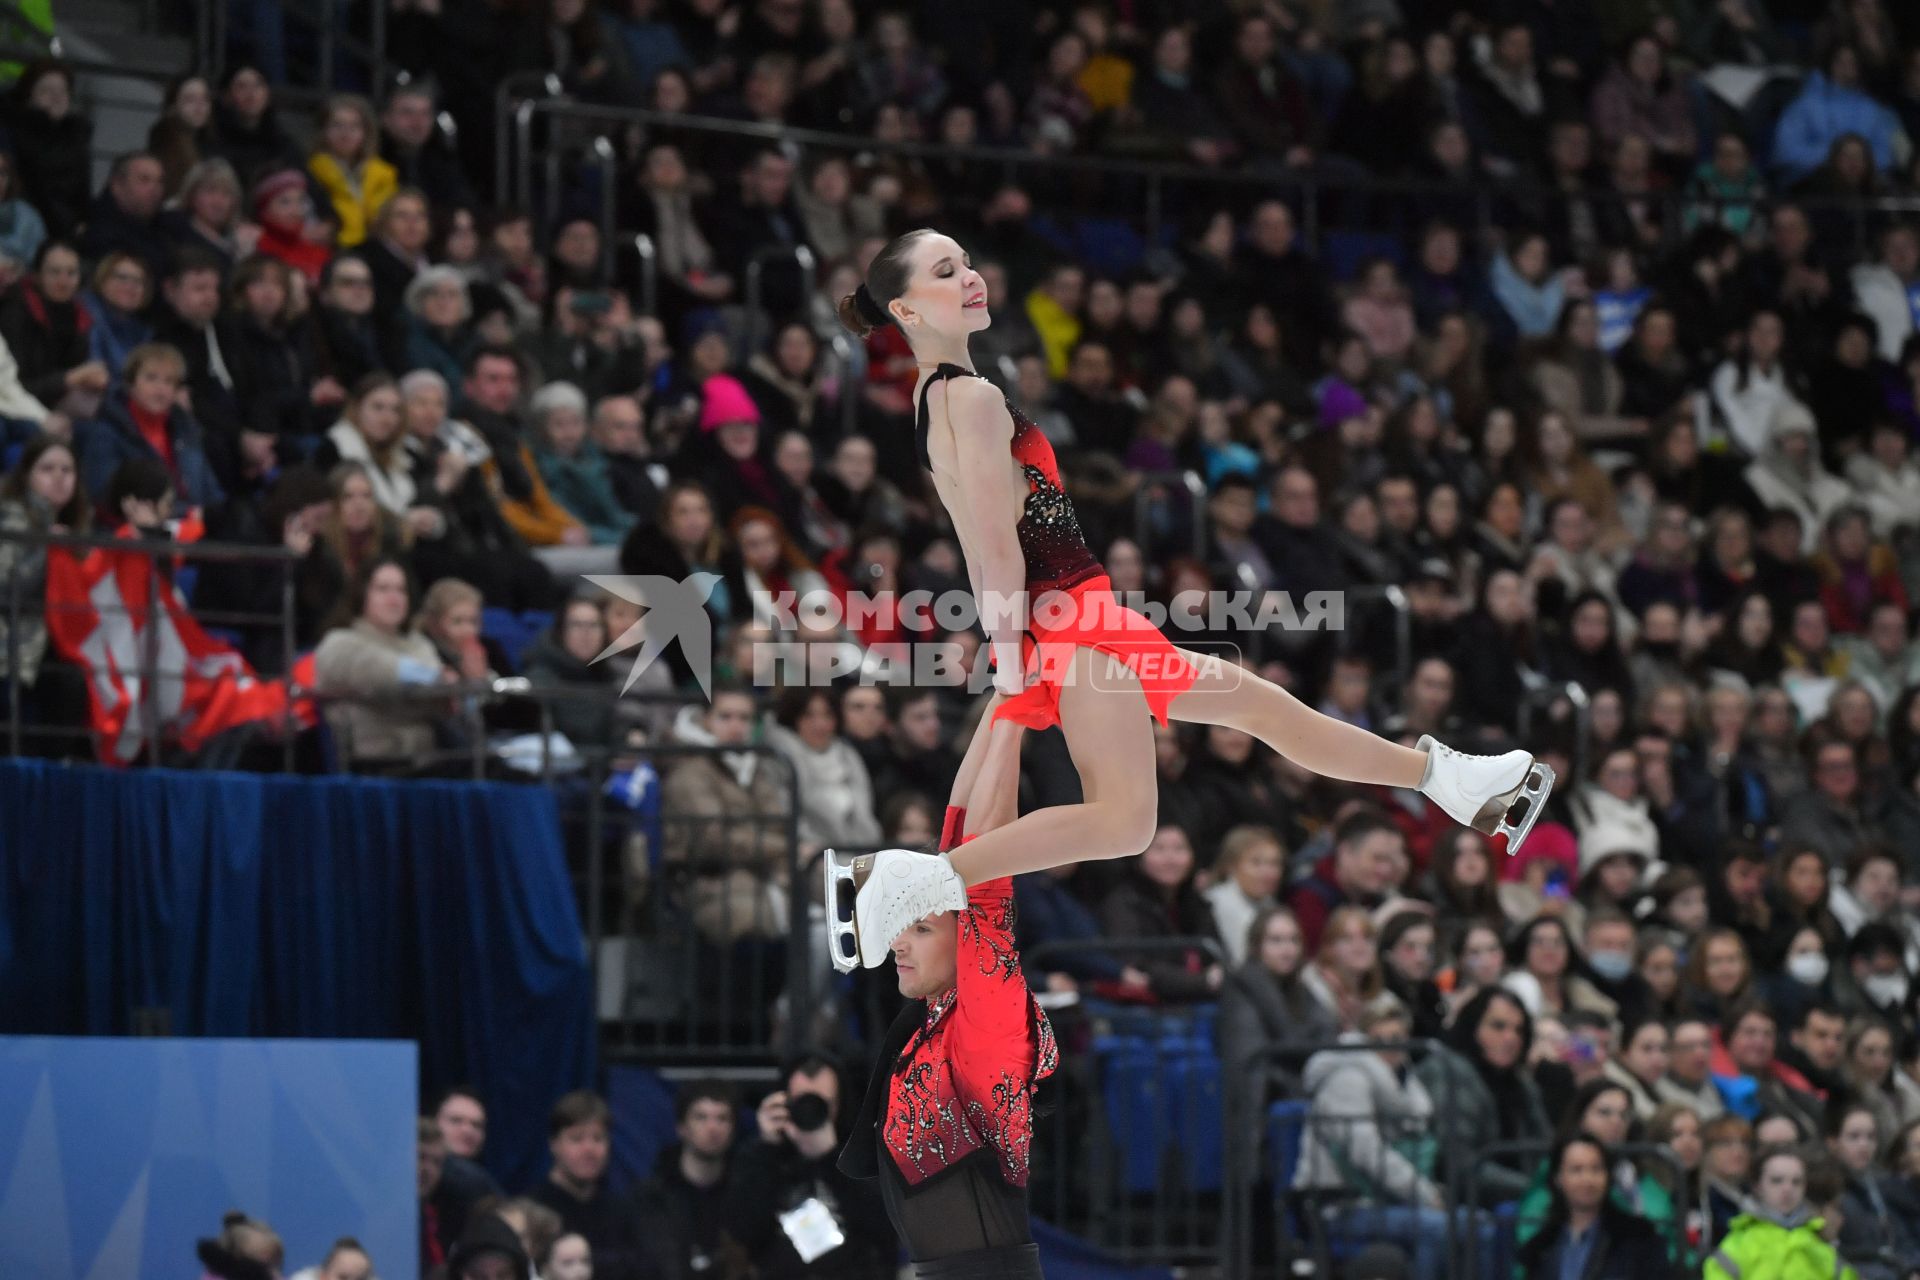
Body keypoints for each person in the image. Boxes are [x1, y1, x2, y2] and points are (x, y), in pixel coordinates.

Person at [826, 229, 1555, 960]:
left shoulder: (937, 398)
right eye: (946, 272)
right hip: (1075, 625)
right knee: (1125, 820)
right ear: (907, 311)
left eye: (969, 262)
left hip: (1079, 618)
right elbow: (989, 545)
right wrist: (1015, 657)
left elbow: (987, 543)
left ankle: (1450, 780)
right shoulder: (972, 399)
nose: (971, 276)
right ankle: (905, 882)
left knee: (1261, 710)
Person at [732, 1050, 893, 1278]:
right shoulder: (759, 1156)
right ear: (783, 1100)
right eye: (802, 1101)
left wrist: (830, 1157)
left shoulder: (865, 1155)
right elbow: (743, 1231)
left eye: (823, 1103)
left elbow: (885, 1228)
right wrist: (767, 1148)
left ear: (840, 1105)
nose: (811, 1110)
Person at [311, 558, 460, 769]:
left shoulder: (418, 643)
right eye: (383, 589)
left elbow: (444, 701)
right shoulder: (339, 642)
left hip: (427, 758)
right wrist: (432, 685)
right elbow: (379, 675)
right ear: (362, 593)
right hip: (372, 762)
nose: (394, 598)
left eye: (401, 590)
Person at [1513, 1134, 1669, 1280]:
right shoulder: (1540, 1248)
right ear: (1558, 1178)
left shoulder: (1639, 1237)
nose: (1587, 1179)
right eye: (1577, 1170)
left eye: (1596, 1169)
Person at [526, 1090, 645, 1280]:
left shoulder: (622, 1210)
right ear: (554, 1145)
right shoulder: (532, 1211)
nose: (589, 1150)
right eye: (577, 1138)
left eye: (598, 1138)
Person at [631, 1079, 740, 1280]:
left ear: (733, 1129)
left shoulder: (744, 1195)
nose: (712, 1128)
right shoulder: (652, 1198)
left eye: (722, 1118)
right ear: (681, 1127)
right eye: (701, 1117)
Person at [1705, 1146, 1859, 1280]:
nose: (1787, 1189)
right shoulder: (1737, 1245)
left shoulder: (1820, 1245)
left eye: (1796, 1181)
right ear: (1758, 1186)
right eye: (1776, 1180)